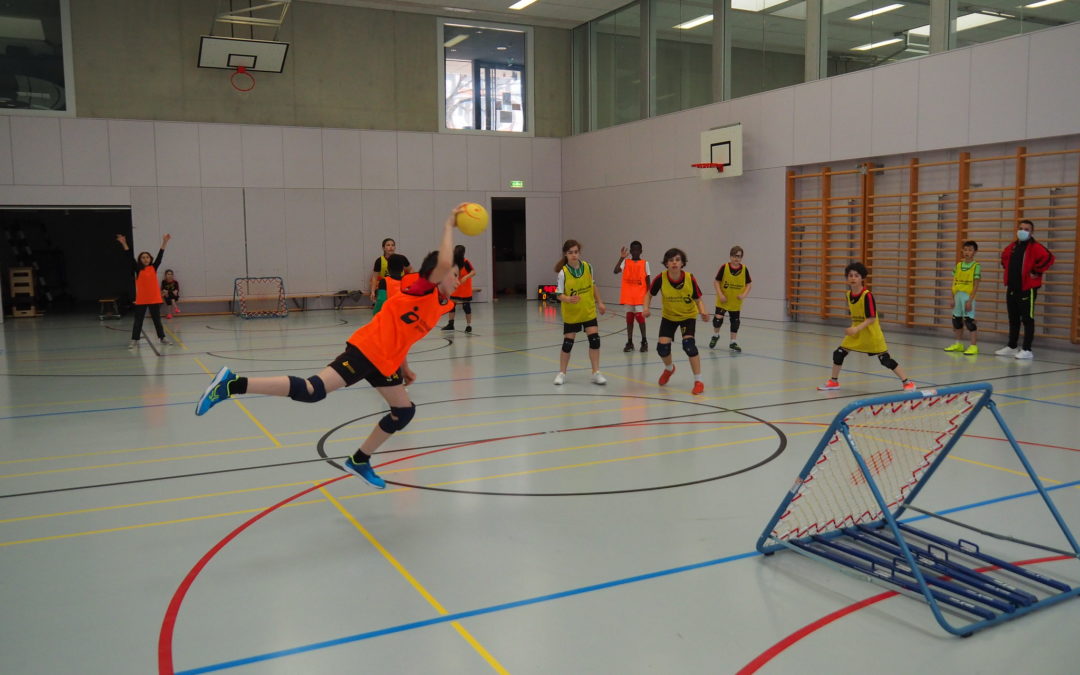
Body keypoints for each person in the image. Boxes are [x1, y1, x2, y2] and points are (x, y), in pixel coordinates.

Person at [194, 205, 468, 489]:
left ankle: (359, 460)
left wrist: (404, 367)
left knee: (404, 410)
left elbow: (403, 335)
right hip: (367, 351)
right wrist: (449, 225)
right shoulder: (419, 288)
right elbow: (443, 263)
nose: (458, 280)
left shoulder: (442, 305)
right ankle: (232, 384)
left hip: (385, 361)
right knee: (312, 390)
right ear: (437, 274)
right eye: (454, 274)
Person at [818, 262, 914, 392]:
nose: (853, 278)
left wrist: (856, 328)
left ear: (862, 278)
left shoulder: (867, 295)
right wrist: (855, 328)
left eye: (856, 275)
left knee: (885, 360)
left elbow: (871, 318)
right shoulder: (848, 295)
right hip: (857, 333)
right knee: (838, 354)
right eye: (850, 275)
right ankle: (834, 381)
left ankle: (907, 382)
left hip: (871, 333)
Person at [643, 248, 710, 395]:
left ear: (682, 263)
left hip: (687, 316)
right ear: (666, 263)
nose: (674, 263)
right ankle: (669, 369)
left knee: (689, 346)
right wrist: (646, 308)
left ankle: (699, 381)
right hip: (669, 316)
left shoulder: (690, 278)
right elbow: (648, 295)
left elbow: (698, 300)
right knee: (662, 348)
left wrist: (703, 312)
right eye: (671, 260)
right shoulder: (661, 278)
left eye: (677, 260)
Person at [995, 220, 1055, 360]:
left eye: (1026, 229)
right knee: (1013, 318)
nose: (1023, 231)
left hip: (1027, 289)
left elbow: (1049, 258)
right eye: (1021, 228)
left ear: (1031, 232)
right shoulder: (1013, 246)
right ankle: (1012, 346)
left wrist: (1036, 271)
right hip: (1012, 288)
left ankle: (1027, 349)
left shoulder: (1035, 247)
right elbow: (1004, 258)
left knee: (1027, 319)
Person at [553, 239, 607, 385]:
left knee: (595, 340)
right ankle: (562, 373)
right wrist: (568, 299)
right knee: (568, 344)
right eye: (570, 252)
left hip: (588, 310)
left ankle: (596, 372)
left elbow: (593, 286)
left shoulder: (588, 267)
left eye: (576, 252)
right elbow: (558, 294)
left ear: (579, 253)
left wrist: (600, 302)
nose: (574, 255)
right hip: (572, 313)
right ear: (566, 254)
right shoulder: (563, 273)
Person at [117, 233, 171, 349]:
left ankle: (162, 337)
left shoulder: (153, 267)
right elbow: (128, 256)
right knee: (138, 320)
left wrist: (165, 242)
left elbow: (160, 255)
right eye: (143, 257)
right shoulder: (138, 269)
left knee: (157, 320)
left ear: (150, 259)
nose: (145, 259)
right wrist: (124, 243)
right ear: (140, 260)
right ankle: (134, 339)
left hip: (154, 298)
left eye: (147, 257)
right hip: (141, 299)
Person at [710, 245, 752, 352]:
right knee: (717, 320)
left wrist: (744, 295)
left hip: (735, 302)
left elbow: (749, 284)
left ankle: (733, 342)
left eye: (738, 256)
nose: (736, 258)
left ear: (741, 258)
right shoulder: (724, 267)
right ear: (730, 256)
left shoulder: (744, 269)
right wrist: (720, 294)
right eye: (734, 256)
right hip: (723, 300)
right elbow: (716, 282)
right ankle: (715, 335)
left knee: (735, 322)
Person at [943, 241, 980, 355]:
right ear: (962, 251)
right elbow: (954, 282)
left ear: (975, 252)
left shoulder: (976, 266)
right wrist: (952, 298)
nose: (967, 252)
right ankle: (958, 344)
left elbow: (976, 285)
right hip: (958, 295)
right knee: (956, 321)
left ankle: (973, 346)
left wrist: (970, 300)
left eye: (970, 250)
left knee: (969, 322)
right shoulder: (958, 265)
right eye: (965, 250)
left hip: (968, 296)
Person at [614, 241, 650, 352]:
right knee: (629, 318)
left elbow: (648, 281)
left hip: (640, 296)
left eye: (637, 250)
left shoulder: (645, 263)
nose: (635, 252)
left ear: (641, 251)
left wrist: (648, 298)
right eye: (633, 250)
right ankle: (630, 342)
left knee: (640, 318)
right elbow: (615, 271)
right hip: (629, 296)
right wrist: (621, 258)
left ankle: (644, 341)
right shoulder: (626, 262)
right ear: (630, 251)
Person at [442, 245, 476, 333]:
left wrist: (466, 277)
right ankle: (451, 324)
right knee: (451, 305)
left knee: (466, 306)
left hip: (465, 288)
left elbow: (473, 272)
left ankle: (468, 325)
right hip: (455, 288)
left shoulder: (466, 262)